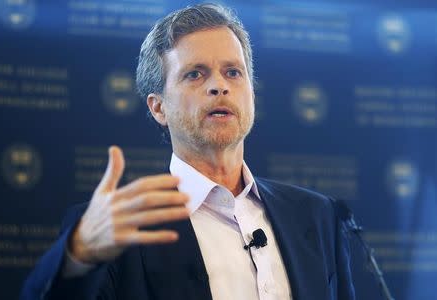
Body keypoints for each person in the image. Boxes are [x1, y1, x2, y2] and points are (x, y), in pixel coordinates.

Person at [21, 4, 355, 300]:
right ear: (158, 108)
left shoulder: (316, 214)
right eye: (195, 74)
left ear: (251, 94)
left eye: (233, 72)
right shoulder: (118, 226)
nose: (219, 86)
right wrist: (77, 255)